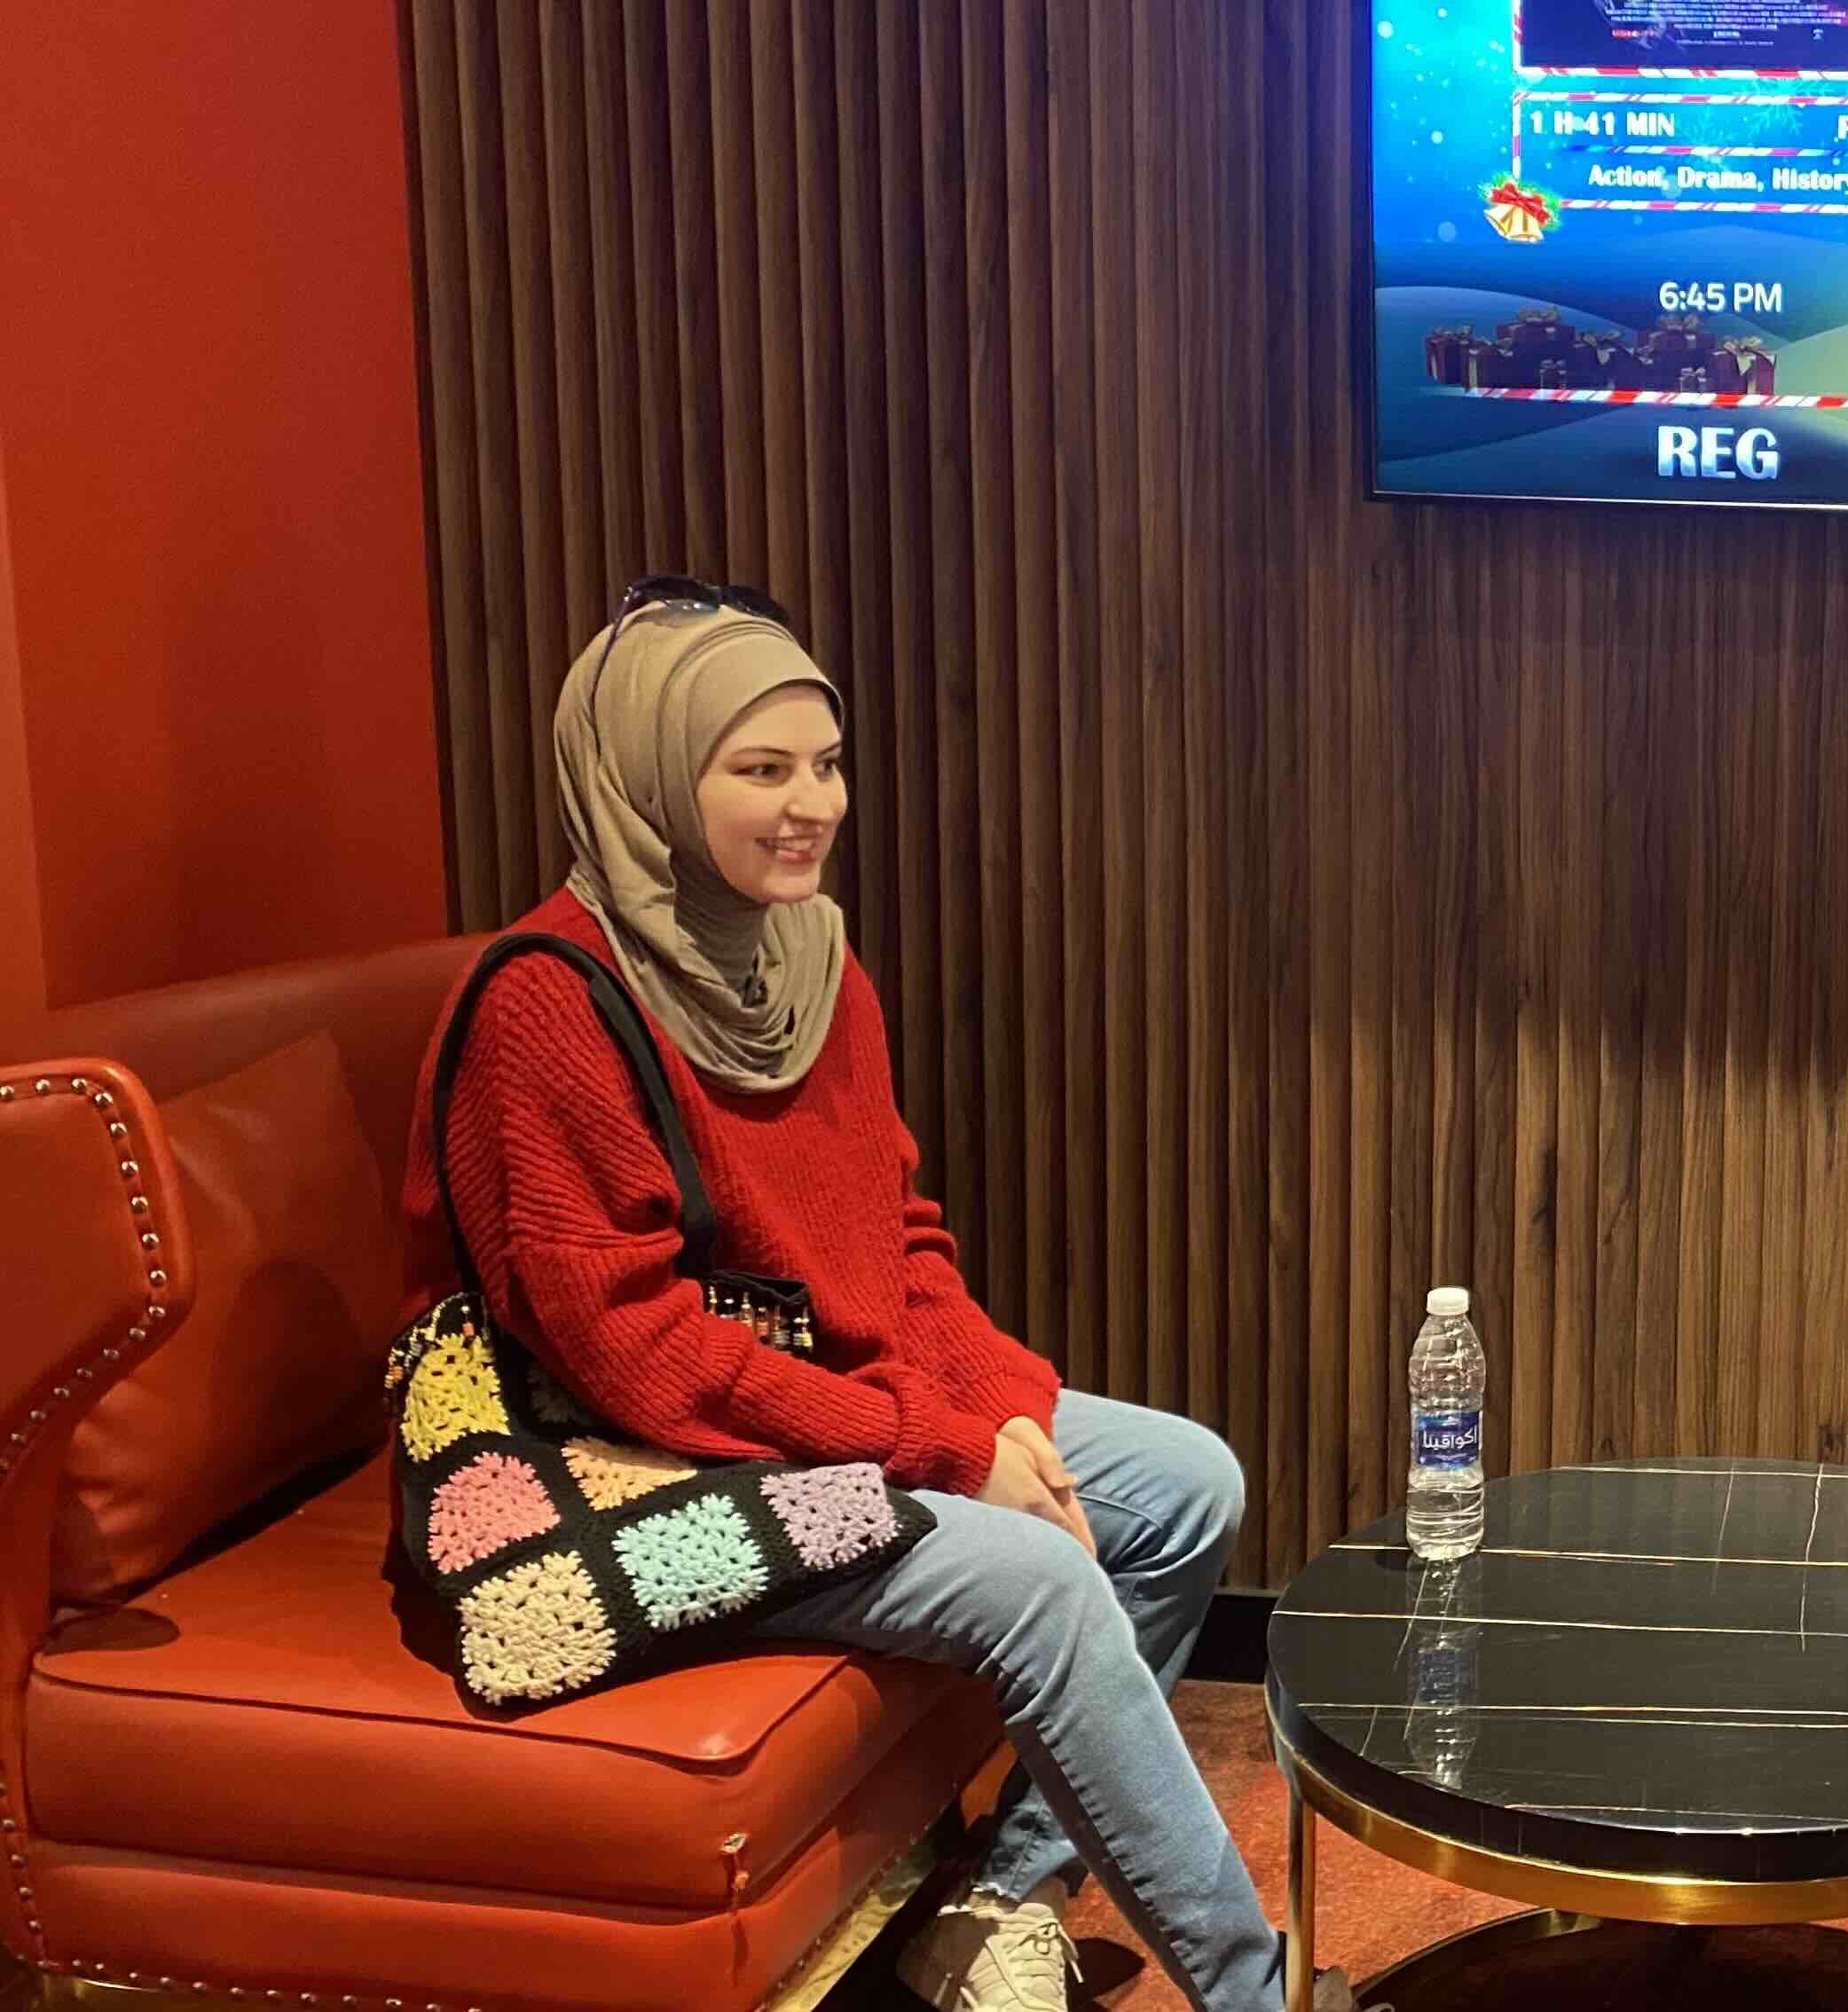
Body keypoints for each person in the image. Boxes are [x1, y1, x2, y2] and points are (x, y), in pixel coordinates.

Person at [401, 581, 1367, 2012]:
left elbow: (900, 1242)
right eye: (760, 769)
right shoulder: (544, 1004)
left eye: (826, 763)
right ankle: (1252, 1990)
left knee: (1186, 1484)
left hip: (816, 1423)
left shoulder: (812, 962)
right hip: (641, 1475)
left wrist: (1003, 1418)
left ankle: (1001, 1904)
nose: (813, 805)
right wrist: (946, 1452)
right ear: (652, 779)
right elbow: (639, 1362)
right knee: (1038, 1578)